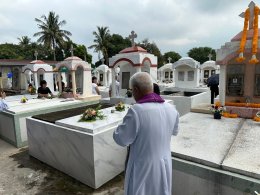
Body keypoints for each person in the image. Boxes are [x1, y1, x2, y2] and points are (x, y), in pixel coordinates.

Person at [113, 72, 179, 195]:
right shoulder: (171, 109)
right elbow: (175, 131)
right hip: (164, 162)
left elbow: (121, 139)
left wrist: (117, 129)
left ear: (136, 89)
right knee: (161, 190)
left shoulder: (137, 111)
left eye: (132, 90)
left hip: (142, 166)